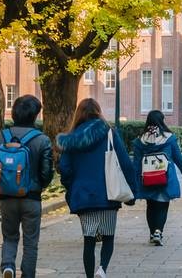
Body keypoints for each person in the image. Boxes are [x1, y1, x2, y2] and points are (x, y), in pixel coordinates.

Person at [58, 98, 137, 278]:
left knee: (89, 239)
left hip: (83, 195)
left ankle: (89, 276)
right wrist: (132, 190)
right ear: (98, 112)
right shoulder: (109, 132)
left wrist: (71, 187)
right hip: (109, 193)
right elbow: (125, 162)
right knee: (108, 236)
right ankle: (102, 269)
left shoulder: (71, 138)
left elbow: (65, 168)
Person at [0, 95, 53, 278]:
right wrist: (39, 186)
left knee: (9, 237)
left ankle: (8, 266)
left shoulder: (1, 137)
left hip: (7, 197)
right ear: (34, 115)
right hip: (31, 198)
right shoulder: (42, 140)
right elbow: (46, 173)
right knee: (31, 242)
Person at [131, 110, 182, 246]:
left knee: (150, 205)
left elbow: (136, 163)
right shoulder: (168, 138)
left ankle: (152, 233)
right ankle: (158, 231)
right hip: (164, 178)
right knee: (163, 205)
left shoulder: (141, 140)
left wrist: (135, 180)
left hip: (147, 178)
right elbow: (177, 157)